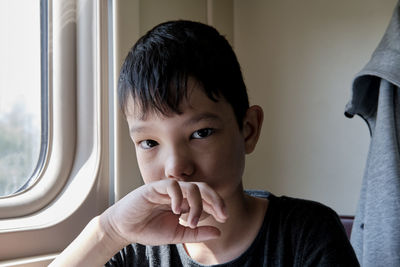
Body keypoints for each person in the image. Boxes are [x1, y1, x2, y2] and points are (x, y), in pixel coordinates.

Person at [50, 20, 359, 267]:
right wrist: (109, 232)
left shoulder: (306, 233)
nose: (176, 167)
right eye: (148, 142)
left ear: (248, 130)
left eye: (200, 133)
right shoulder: (137, 247)